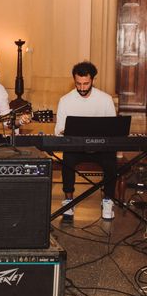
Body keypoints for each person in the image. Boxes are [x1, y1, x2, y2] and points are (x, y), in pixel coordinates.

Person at [55, 61, 117, 222]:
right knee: (67, 158)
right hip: (77, 148)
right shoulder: (65, 100)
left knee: (111, 159)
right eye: (78, 84)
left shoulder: (105, 99)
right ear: (74, 81)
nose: (82, 88)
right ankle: (69, 200)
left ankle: (107, 200)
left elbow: (113, 129)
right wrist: (67, 132)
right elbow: (58, 130)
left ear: (93, 80)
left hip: (100, 148)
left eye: (86, 84)